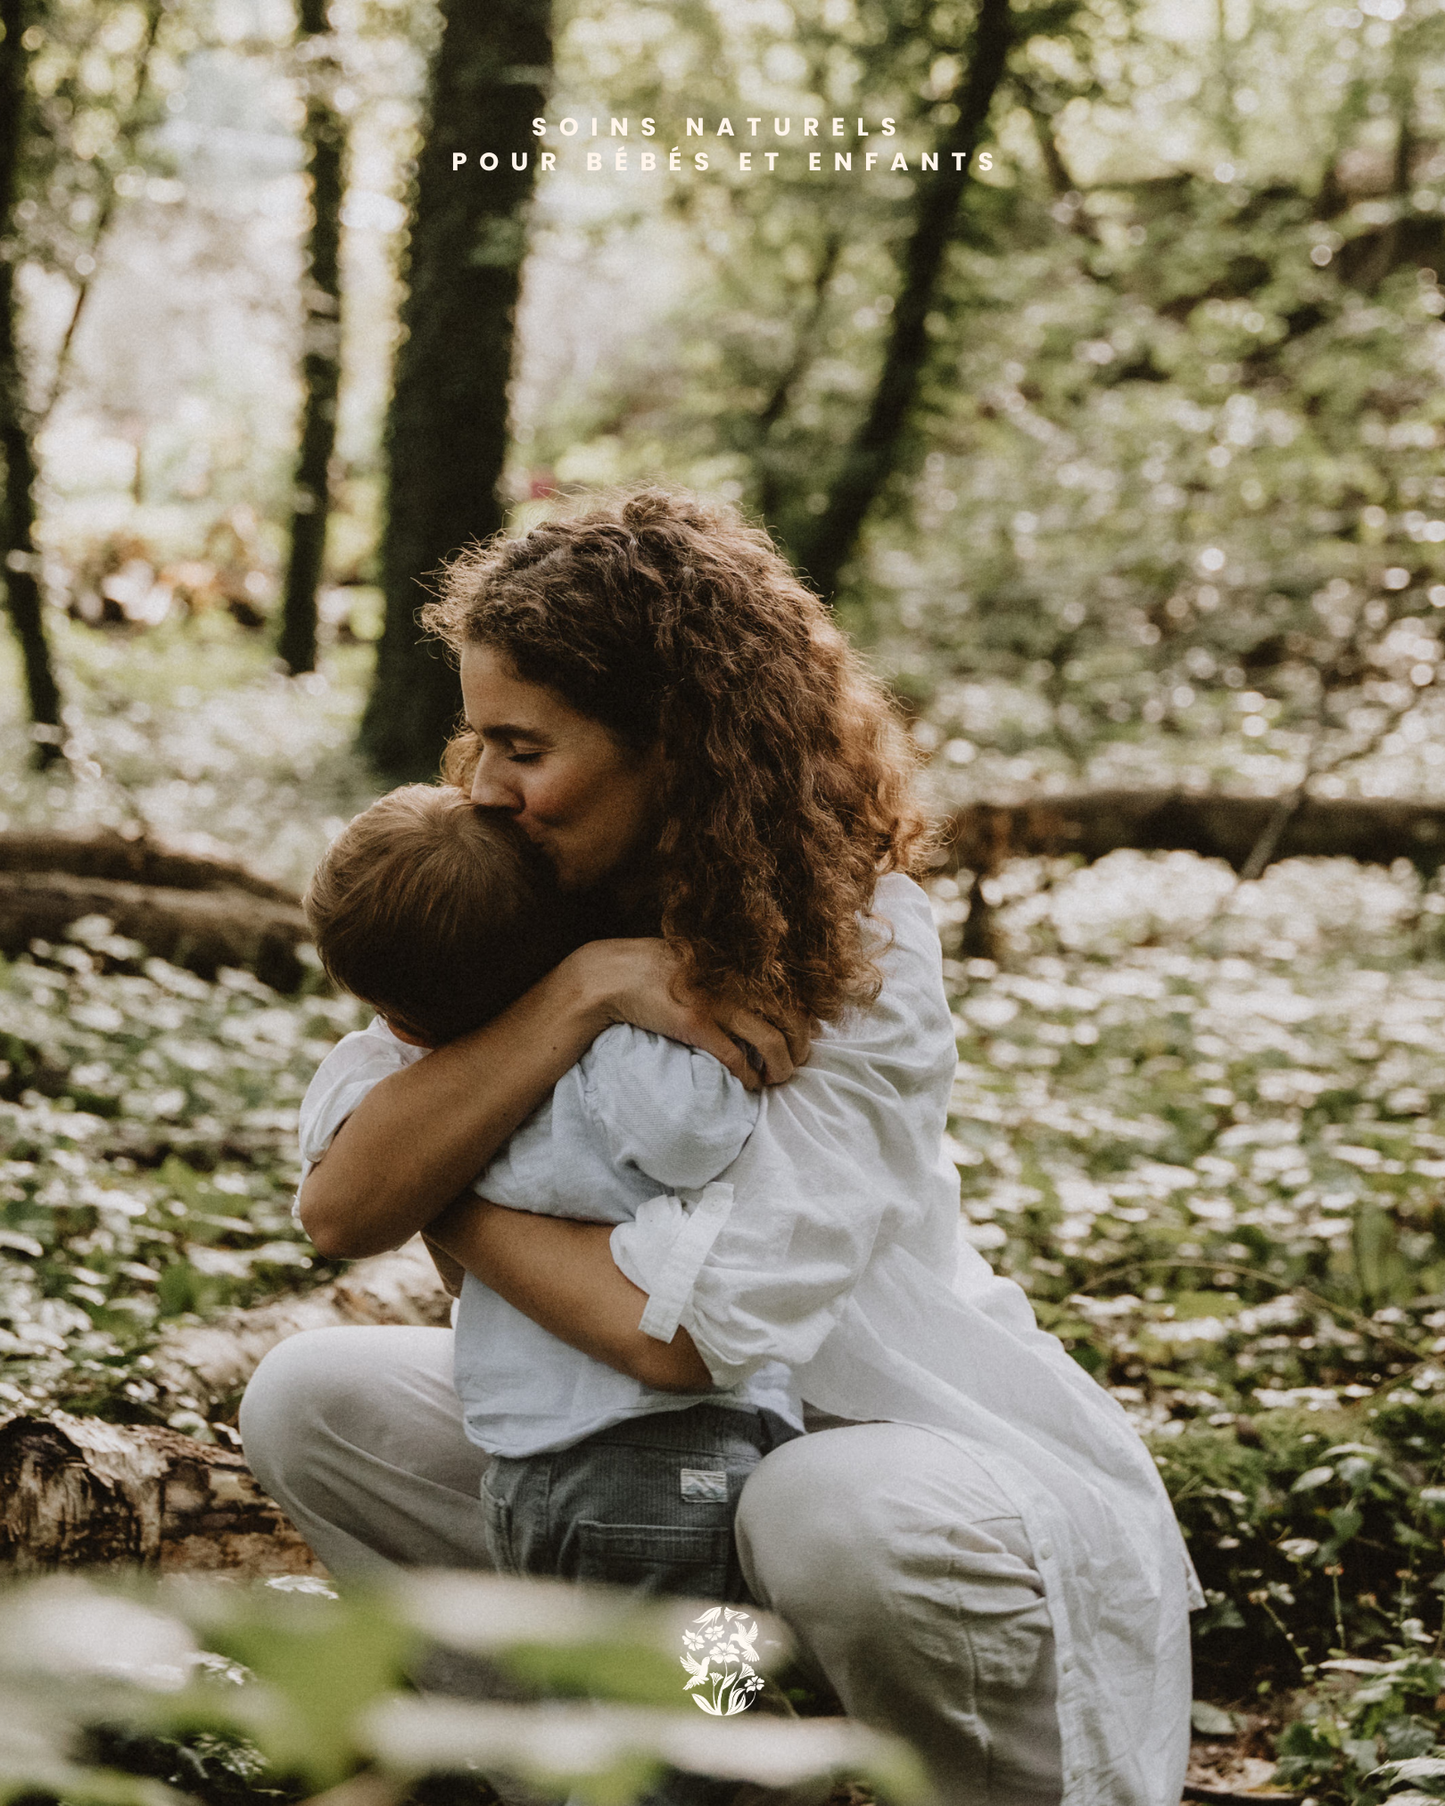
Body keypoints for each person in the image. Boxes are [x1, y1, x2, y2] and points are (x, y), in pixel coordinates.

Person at [240, 488, 1199, 1806]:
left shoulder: (861, 947)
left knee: (816, 1508)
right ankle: (584, 1762)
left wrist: (446, 1185)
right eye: (477, 740)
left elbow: (682, 1334)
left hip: (887, 1446)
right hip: (631, 1468)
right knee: (312, 1397)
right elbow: (341, 1202)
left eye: (523, 744)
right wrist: (579, 993)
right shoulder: (522, 906)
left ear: (673, 743)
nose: (485, 787)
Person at [297, 782, 800, 1599]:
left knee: (579, 1674)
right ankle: (739, 1725)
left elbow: (339, 1163)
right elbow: (695, 1131)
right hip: (677, 1461)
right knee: (709, 1697)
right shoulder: (621, 1058)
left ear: (392, 1014)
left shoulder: (389, 1082)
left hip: (524, 1462)